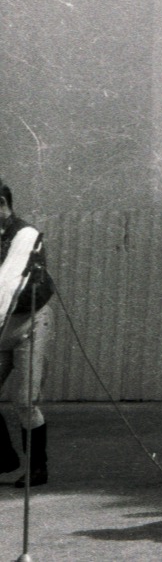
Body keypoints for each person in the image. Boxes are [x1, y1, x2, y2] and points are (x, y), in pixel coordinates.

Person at [0, 180, 55, 488]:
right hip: (1, 324)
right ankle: (4, 458)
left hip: (29, 321)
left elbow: (14, 285)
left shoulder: (26, 236)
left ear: (3, 205)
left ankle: (37, 468)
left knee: (24, 401)